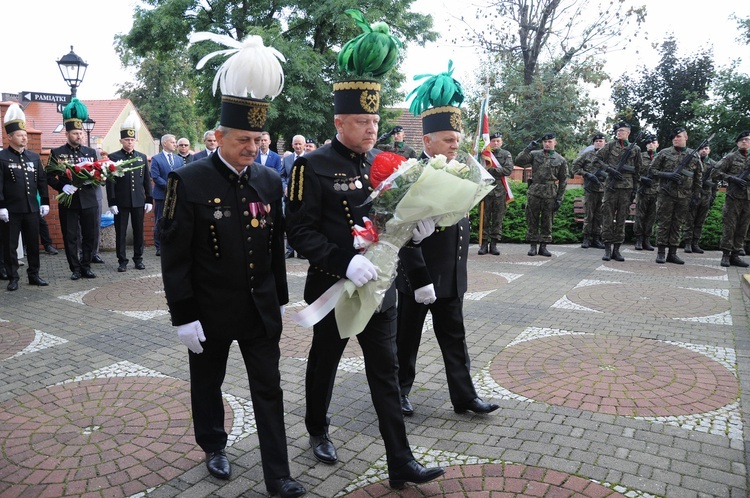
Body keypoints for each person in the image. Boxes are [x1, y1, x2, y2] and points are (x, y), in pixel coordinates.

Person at [285, 13, 444, 489]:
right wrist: (342, 260)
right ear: (339, 122)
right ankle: (317, 429)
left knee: (386, 371)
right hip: (335, 286)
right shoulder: (309, 165)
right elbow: (299, 230)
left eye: (375, 120)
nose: (372, 129)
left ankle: (401, 461)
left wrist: (416, 232)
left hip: (380, 289)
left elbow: (393, 220)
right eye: (362, 121)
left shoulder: (384, 162)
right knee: (324, 362)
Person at [160, 33, 305, 497]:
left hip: (260, 308)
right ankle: (213, 443)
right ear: (219, 136)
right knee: (208, 383)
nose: (252, 148)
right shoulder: (188, 179)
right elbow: (175, 253)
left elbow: (275, 244)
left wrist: (279, 301)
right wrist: (183, 315)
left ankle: (278, 475)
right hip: (209, 308)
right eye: (243, 139)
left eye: (258, 139)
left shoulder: (268, 179)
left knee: (270, 388)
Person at [395, 72, 499, 417]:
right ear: (428, 143)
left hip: (452, 276)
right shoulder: (413, 176)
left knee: (455, 339)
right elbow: (403, 235)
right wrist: (419, 278)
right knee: (405, 339)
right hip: (419, 277)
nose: (456, 144)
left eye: (457, 138)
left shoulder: (462, 175)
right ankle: (398, 392)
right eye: (448, 139)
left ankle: (465, 396)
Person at [47, 98, 100, 280]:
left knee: (90, 235)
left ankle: (86, 266)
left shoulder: (91, 153)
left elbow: (99, 174)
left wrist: (94, 179)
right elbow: (48, 176)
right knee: (70, 236)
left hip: (89, 199)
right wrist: (63, 185)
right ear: (67, 134)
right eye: (75, 133)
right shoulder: (57, 153)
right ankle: (75, 268)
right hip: (69, 200)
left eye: (81, 133)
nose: (79, 136)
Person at [0, 104, 49, 290]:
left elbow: (41, 181)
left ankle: (34, 275)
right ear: (10, 137)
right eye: (20, 135)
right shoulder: (2, 157)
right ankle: (13, 277)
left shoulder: (34, 157)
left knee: (33, 245)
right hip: (11, 210)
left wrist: (44, 202)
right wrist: (1, 206)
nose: (24, 138)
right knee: (10, 246)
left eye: (25, 134)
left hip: (31, 209)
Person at [106, 111, 153, 272]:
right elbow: (110, 181)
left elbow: (147, 179)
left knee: (139, 231)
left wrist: (149, 199)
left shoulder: (141, 157)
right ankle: (122, 261)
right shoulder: (113, 157)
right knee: (121, 232)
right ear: (121, 140)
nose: (130, 142)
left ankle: (138, 259)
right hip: (121, 201)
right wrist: (112, 202)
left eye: (132, 140)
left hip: (138, 200)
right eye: (127, 140)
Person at [650, 127, 702, 264]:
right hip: (666, 195)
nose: (675, 139)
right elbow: (652, 170)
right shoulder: (664, 153)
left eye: (678, 136)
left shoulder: (694, 155)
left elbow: (698, 177)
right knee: (664, 223)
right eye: (673, 137)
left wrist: (696, 195)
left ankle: (672, 253)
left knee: (677, 224)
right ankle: (661, 252)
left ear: (686, 137)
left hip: (684, 196)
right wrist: (667, 175)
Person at [515, 132, 568, 257]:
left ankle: (543, 246)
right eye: (545, 142)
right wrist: (528, 148)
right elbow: (519, 161)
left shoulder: (560, 160)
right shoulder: (534, 155)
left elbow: (563, 181)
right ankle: (533, 246)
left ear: (555, 143)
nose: (547, 144)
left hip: (550, 192)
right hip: (535, 190)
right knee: (532, 218)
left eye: (550, 142)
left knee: (547, 220)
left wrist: (560, 198)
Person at [595, 122, 642, 262]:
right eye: (617, 130)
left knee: (621, 218)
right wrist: (609, 170)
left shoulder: (636, 149)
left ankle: (617, 249)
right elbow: (596, 160)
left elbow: (638, 171)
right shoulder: (610, 145)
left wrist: (635, 190)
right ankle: (607, 249)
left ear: (628, 132)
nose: (618, 132)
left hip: (627, 187)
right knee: (608, 218)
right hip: (611, 186)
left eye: (621, 130)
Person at [715, 131, 750, 267]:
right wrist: (731, 178)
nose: (744, 142)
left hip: (748, 199)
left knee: (743, 227)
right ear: (737, 143)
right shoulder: (730, 157)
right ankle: (726, 254)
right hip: (733, 197)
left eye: (747, 140)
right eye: (741, 140)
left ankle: (735, 255)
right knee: (730, 226)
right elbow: (715, 172)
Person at [478, 131, 514, 255]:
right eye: (493, 141)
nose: (496, 143)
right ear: (490, 142)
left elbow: (508, 170)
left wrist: (492, 170)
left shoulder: (506, 154)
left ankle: (494, 244)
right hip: (485, 189)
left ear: (501, 142)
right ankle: (483, 244)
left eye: (498, 141)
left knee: (498, 219)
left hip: (500, 191)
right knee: (484, 218)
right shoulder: (483, 154)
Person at [150, 134, 184, 256]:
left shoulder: (179, 159)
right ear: (164, 143)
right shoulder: (156, 159)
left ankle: (173, 244)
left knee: (175, 219)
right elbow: (155, 176)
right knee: (160, 219)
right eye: (172, 142)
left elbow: (182, 175)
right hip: (161, 195)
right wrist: (169, 187)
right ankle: (159, 246)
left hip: (176, 196)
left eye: (175, 142)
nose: (175, 144)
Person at [572, 133, 607, 249]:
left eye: (601, 141)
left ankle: (596, 238)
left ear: (605, 142)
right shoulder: (587, 155)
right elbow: (575, 167)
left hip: (603, 188)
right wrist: (587, 174)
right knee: (589, 214)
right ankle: (586, 238)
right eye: (596, 141)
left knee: (599, 215)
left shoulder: (609, 156)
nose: (598, 142)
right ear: (593, 143)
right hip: (590, 188)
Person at [683, 144, 717, 254]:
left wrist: (713, 196)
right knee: (690, 220)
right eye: (701, 149)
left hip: (706, 195)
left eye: (706, 149)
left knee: (700, 221)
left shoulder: (713, 164)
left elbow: (715, 183)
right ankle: (687, 243)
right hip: (693, 194)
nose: (703, 151)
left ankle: (695, 243)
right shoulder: (693, 161)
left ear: (709, 150)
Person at [633, 134, 659, 251]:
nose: (651, 145)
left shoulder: (661, 157)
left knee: (651, 217)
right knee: (640, 216)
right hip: (642, 190)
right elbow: (634, 172)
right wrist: (642, 179)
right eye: (648, 143)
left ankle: (647, 239)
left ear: (657, 144)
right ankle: (638, 239)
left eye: (653, 143)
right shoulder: (640, 156)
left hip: (656, 191)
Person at [282, 135, 305, 259]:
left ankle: (302, 250)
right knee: (290, 223)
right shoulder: (287, 159)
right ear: (292, 145)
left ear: (304, 145)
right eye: (295, 144)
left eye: (300, 144)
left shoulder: (310, 158)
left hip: (304, 198)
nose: (297, 146)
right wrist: (284, 186)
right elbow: (282, 175)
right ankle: (289, 250)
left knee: (303, 223)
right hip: (289, 198)